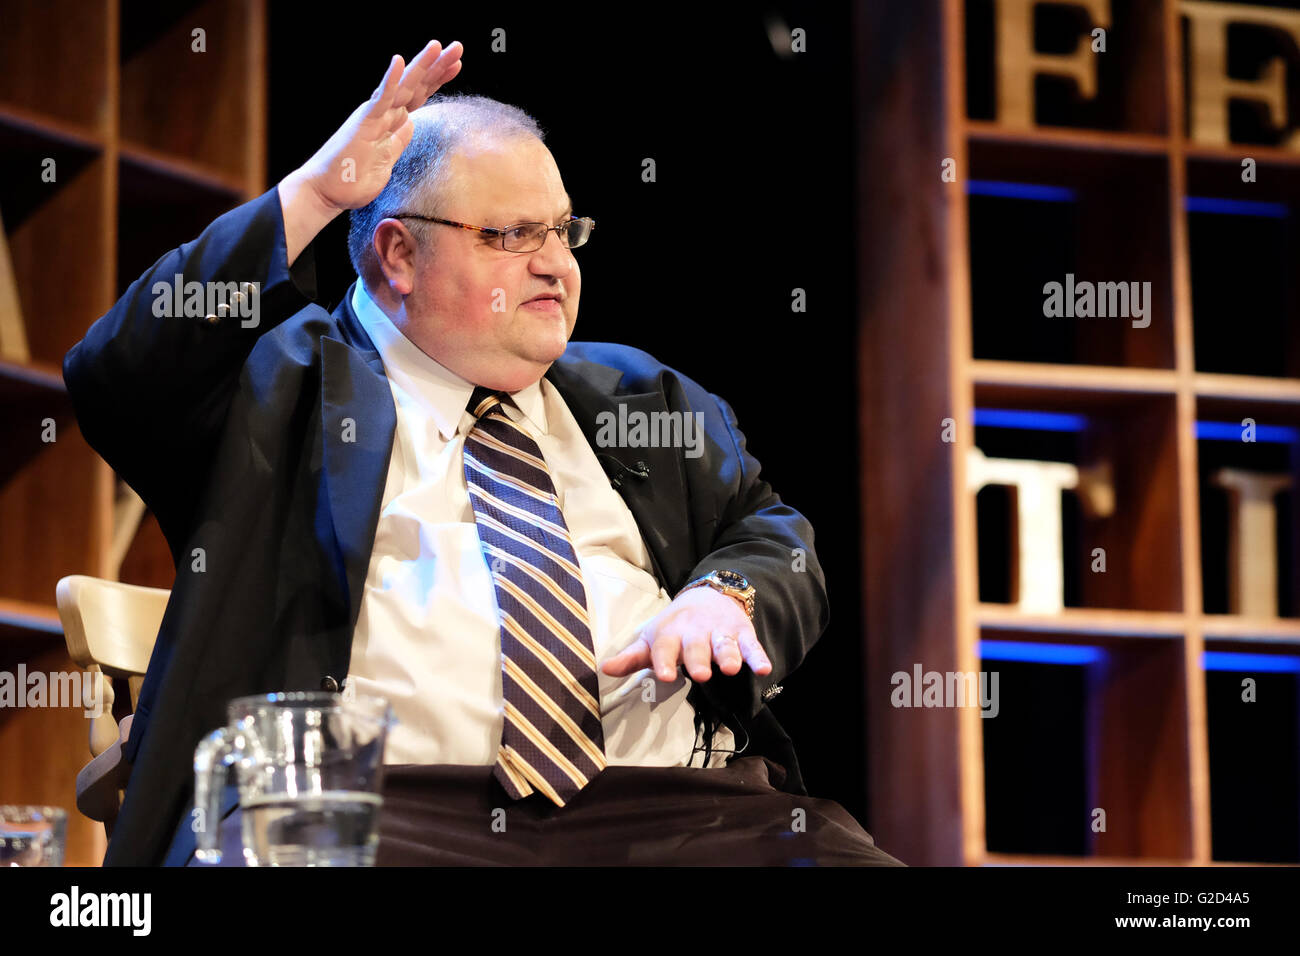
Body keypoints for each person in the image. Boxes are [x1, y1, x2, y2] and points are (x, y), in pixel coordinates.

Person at [63, 38, 902, 866]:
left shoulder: (638, 398)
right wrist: (315, 195)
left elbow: (773, 533)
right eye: (510, 235)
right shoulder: (281, 391)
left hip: (671, 812)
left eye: (564, 230)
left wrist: (727, 597)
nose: (555, 265)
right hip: (385, 812)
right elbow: (117, 370)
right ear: (398, 254)